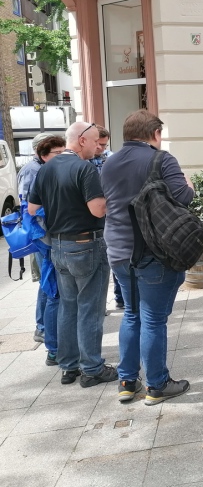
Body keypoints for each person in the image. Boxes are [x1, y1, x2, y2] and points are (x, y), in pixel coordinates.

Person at [102, 110, 195, 405]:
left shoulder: (109, 162)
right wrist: (190, 184)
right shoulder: (161, 159)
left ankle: (127, 382)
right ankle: (157, 385)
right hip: (153, 251)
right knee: (153, 319)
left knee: (132, 314)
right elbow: (183, 197)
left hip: (119, 250)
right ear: (155, 133)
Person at [27, 121, 115, 388]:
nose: (98, 146)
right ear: (82, 140)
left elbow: (32, 208)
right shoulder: (84, 168)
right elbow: (98, 209)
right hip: (86, 244)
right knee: (90, 308)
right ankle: (92, 369)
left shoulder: (46, 168)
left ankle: (69, 366)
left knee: (68, 306)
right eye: (95, 141)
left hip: (59, 246)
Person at [23, 136, 66, 365]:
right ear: (43, 154)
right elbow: (31, 208)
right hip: (45, 238)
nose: (62, 156)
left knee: (50, 289)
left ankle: (50, 338)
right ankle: (48, 339)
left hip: (47, 237)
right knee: (52, 291)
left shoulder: (41, 169)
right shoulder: (34, 171)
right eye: (57, 153)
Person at [17, 131, 56, 340]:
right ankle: (42, 327)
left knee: (48, 279)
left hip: (45, 231)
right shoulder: (32, 170)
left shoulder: (41, 167)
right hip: (40, 234)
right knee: (46, 280)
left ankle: (45, 325)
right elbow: (27, 206)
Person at [90, 126, 124, 311]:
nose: (101, 148)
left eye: (104, 144)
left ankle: (121, 298)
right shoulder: (82, 160)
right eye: (99, 144)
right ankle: (99, 304)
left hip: (111, 216)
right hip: (91, 218)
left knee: (115, 258)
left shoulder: (111, 158)